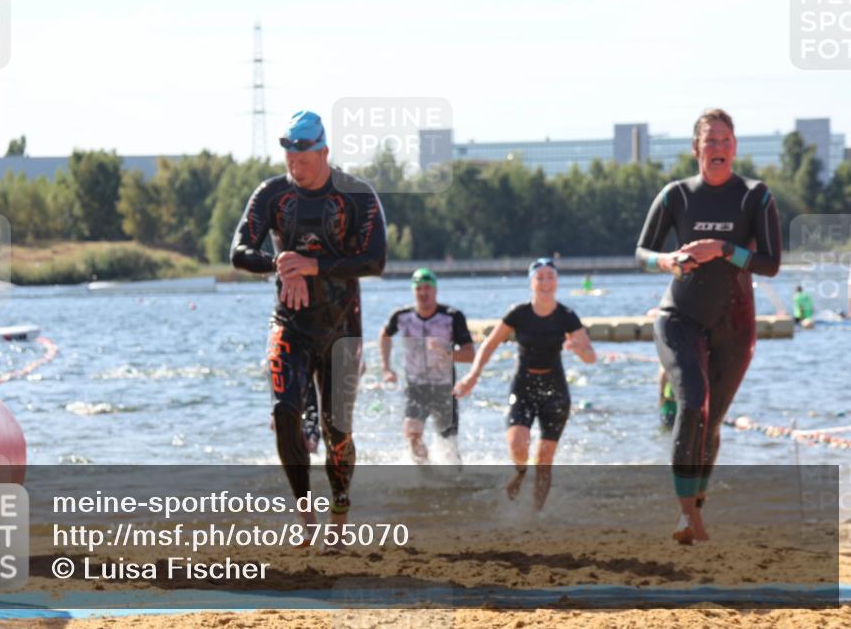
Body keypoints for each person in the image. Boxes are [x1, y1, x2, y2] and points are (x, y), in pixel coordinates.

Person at [231, 110, 387, 547]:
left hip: (342, 328)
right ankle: (306, 516)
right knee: (284, 413)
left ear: (323, 152)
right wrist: (280, 265)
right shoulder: (273, 195)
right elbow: (239, 250)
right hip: (290, 325)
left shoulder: (355, 195)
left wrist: (313, 266)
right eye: (288, 160)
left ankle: (340, 507)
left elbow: (375, 260)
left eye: (302, 160)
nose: (294, 168)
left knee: (339, 430)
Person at [635, 108, 781, 545]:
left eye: (725, 140)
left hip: (735, 326)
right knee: (693, 403)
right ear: (696, 149)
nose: (718, 148)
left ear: (734, 147)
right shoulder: (676, 195)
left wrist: (723, 249)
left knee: (712, 421)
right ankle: (684, 516)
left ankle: (695, 507)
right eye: (710, 141)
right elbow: (641, 252)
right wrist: (667, 260)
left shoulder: (755, 197)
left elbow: (771, 264)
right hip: (680, 316)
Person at [454, 258, 596, 508]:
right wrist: (472, 376)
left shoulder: (567, 316)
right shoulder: (518, 314)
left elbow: (590, 357)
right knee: (518, 443)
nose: (545, 282)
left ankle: (535, 513)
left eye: (550, 276)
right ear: (531, 282)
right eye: (539, 277)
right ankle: (519, 472)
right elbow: (489, 345)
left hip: (555, 390)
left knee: (544, 459)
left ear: (557, 281)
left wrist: (578, 350)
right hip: (524, 387)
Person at [380, 268, 475, 464]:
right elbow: (385, 335)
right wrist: (386, 368)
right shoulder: (401, 316)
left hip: (444, 389)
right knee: (412, 434)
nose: (423, 293)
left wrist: (447, 352)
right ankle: (425, 475)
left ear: (435, 290)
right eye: (419, 289)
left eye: (427, 288)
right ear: (413, 291)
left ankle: (455, 481)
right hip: (416, 387)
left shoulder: (452, 317)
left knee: (448, 443)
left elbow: (470, 354)